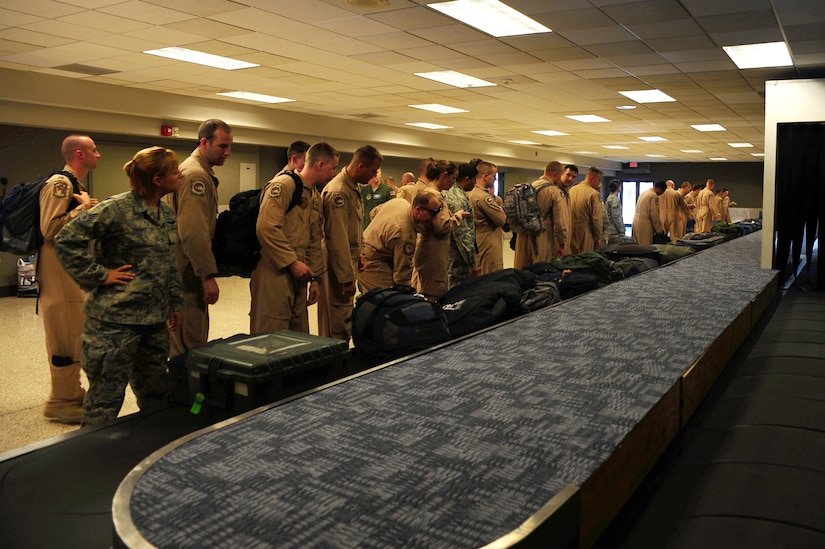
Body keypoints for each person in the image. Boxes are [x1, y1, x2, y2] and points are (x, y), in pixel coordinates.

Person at [54, 146, 183, 426]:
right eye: (175, 171)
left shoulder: (166, 213)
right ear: (158, 180)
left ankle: (151, 450)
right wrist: (100, 275)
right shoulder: (117, 209)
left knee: (156, 394)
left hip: (154, 321)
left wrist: (174, 303)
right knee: (105, 400)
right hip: (115, 322)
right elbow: (66, 239)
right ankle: (94, 463)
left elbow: (168, 262)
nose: (180, 175)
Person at [38, 135, 101, 423]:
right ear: (79, 154)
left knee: (75, 332)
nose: (98, 155)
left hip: (70, 270)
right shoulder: (60, 184)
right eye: (93, 150)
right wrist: (83, 209)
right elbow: (50, 229)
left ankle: (71, 393)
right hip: (58, 271)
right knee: (65, 335)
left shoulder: (76, 185)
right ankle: (61, 401)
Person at [250, 143, 339, 334]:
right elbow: (266, 227)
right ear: (320, 164)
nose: (334, 174)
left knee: (297, 332)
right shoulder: (284, 185)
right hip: (274, 270)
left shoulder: (314, 195)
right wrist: (292, 262)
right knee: (271, 331)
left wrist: (316, 279)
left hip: (300, 274)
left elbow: (314, 240)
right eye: (333, 168)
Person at [167, 119, 232, 357]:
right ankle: (183, 394)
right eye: (222, 146)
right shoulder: (195, 176)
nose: (228, 152)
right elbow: (193, 231)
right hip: (189, 274)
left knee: (187, 340)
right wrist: (206, 276)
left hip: (187, 270)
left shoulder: (196, 170)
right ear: (204, 142)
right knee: (189, 346)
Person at [319, 145, 382, 341]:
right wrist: (346, 278)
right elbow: (336, 239)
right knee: (338, 322)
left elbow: (354, 227)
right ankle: (334, 368)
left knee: (344, 317)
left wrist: (359, 253)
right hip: (336, 266)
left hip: (347, 261)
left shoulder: (352, 187)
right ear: (361, 166)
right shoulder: (338, 191)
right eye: (372, 171)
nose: (373, 176)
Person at [410, 159, 468, 300]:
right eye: (453, 179)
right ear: (444, 175)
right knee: (433, 293)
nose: (454, 183)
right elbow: (442, 226)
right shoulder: (434, 196)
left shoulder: (431, 192)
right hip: (432, 252)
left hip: (431, 250)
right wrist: (457, 216)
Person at [358, 191, 438, 292]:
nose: (434, 218)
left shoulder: (400, 202)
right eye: (432, 213)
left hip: (367, 246)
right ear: (418, 210)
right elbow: (401, 276)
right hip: (370, 260)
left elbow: (374, 213)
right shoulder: (404, 234)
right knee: (388, 298)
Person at [513, 161, 571, 269]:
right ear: (556, 174)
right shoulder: (554, 192)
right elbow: (560, 222)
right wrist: (562, 243)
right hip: (542, 236)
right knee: (540, 270)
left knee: (521, 270)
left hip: (523, 235)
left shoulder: (529, 187)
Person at [445, 163, 479, 288]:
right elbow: (462, 234)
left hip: (451, 254)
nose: (475, 183)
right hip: (458, 258)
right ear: (467, 179)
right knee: (457, 291)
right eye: (474, 179)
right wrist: (472, 263)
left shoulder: (452, 192)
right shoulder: (458, 200)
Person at [469, 160, 506, 275]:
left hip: (478, 239)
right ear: (485, 176)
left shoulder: (470, 193)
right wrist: (498, 204)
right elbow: (501, 219)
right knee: (491, 274)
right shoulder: (484, 198)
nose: (495, 179)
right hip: (489, 241)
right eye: (493, 176)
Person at [568, 166, 603, 253]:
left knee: (571, 260)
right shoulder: (593, 194)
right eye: (598, 180)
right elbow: (596, 219)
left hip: (571, 231)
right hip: (586, 232)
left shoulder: (572, 189)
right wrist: (599, 237)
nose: (599, 183)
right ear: (591, 178)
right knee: (584, 259)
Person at [632, 181, 666, 245]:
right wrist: (659, 230)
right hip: (645, 223)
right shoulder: (653, 196)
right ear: (659, 188)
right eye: (662, 192)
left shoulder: (644, 192)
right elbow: (654, 214)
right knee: (646, 246)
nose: (661, 194)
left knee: (637, 246)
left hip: (636, 221)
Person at [659, 179, 691, 243]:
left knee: (663, 234)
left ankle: (662, 247)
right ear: (673, 185)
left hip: (662, 215)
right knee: (674, 234)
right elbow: (683, 206)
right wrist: (687, 216)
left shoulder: (660, 193)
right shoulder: (676, 193)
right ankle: (674, 246)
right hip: (673, 214)